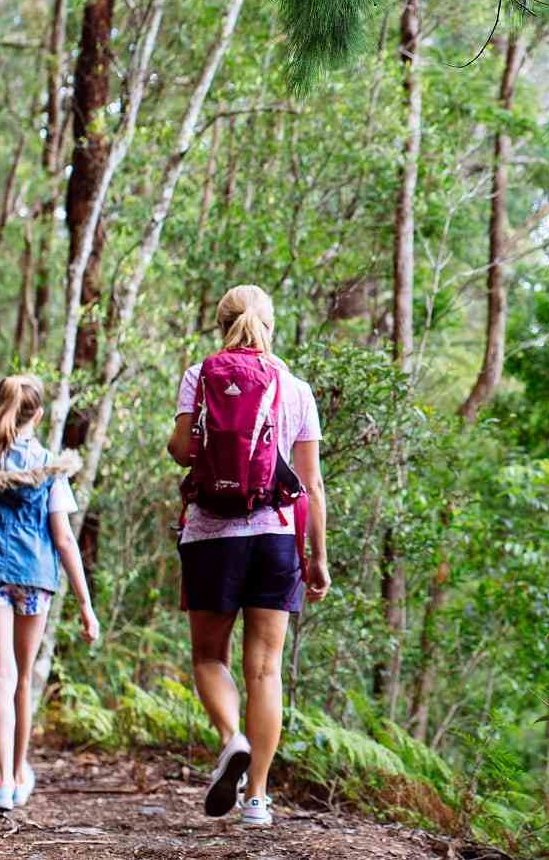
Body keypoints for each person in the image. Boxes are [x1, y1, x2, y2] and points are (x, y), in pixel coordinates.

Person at [168, 284, 331, 828]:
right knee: (264, 670)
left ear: (222, 323)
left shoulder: (201, 375)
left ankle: (231, 737)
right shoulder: (296, 388)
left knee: (209, 657)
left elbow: (183, 452)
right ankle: (257, 798)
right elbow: (310, 484)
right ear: (271, 324)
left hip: (212, 535)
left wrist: (186, 436)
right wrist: (318, 558)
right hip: (277, 537)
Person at [0, 373, 101, 815]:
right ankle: (19, 770)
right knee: (23, 678)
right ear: (39, 414)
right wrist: (85, 604)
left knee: (0, 676)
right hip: (36, 576)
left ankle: (5, 781)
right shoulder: (48, 464)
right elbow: (64, 539)